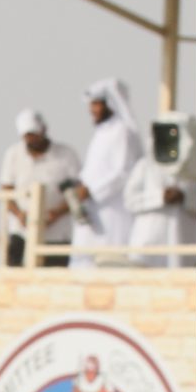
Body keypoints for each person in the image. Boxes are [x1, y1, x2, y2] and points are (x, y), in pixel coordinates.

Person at [71, 77, 143, 268]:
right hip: (91, 211)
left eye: (96, 104)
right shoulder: (102, 132)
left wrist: (92, 191)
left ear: (109, 103)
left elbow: (123, 171)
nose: (92, 110)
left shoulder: (122, 132)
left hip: (112, 212)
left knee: (108, 264)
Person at [0, 109, 81, 267]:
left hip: (57, 234)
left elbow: (77, 191)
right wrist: (19, 214)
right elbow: (6, 189)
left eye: (34, 134)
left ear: (43, 130)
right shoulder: (13, 154)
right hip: (21, 231)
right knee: (14, 275)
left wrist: (55, 213)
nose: (31, 139)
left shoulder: (66, 155)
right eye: (27, 135)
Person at [125, 112, 196, 268]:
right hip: (147, 246)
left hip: (181, 245)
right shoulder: (145, 166)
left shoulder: (195, 170)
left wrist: (184, 198)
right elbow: (129, 201)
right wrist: (159, 197)